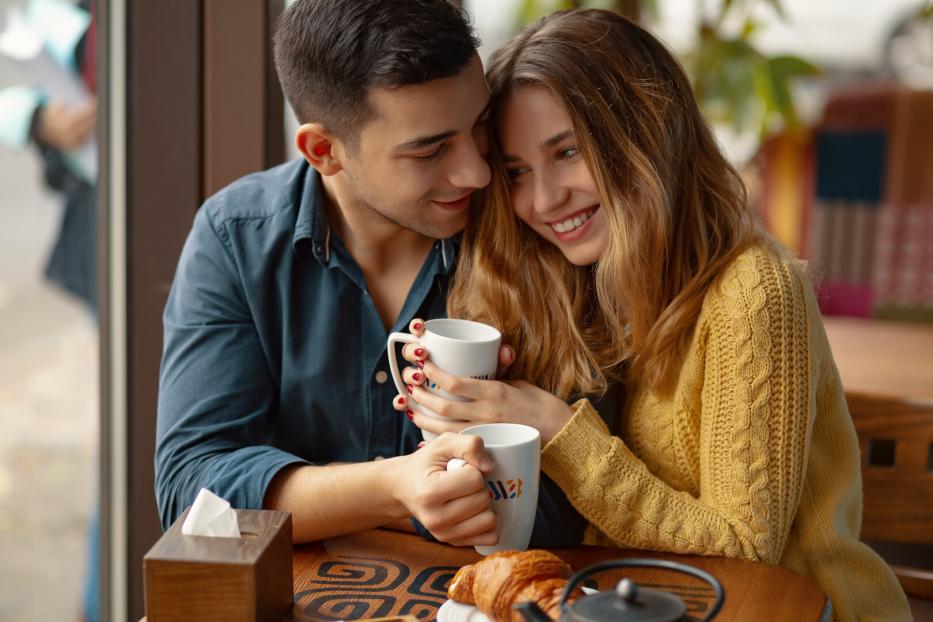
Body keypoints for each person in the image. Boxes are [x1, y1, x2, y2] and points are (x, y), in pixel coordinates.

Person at [393, 9, 910, 620]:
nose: (544, 199)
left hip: (799, 606)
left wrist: (562, 434)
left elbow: (745, 549)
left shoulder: (754, 293)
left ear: (644, 136)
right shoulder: (584, 276)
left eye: (568, 152)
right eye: (517, 172)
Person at [155, 0, 585, 549]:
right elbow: (192, 493)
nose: (478, 171)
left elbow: (571, 508)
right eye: (429, 150)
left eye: (478, 126)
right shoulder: (238, 238)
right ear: (324, 150)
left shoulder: (538, 219)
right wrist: (394, 489)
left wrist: (313, 502)